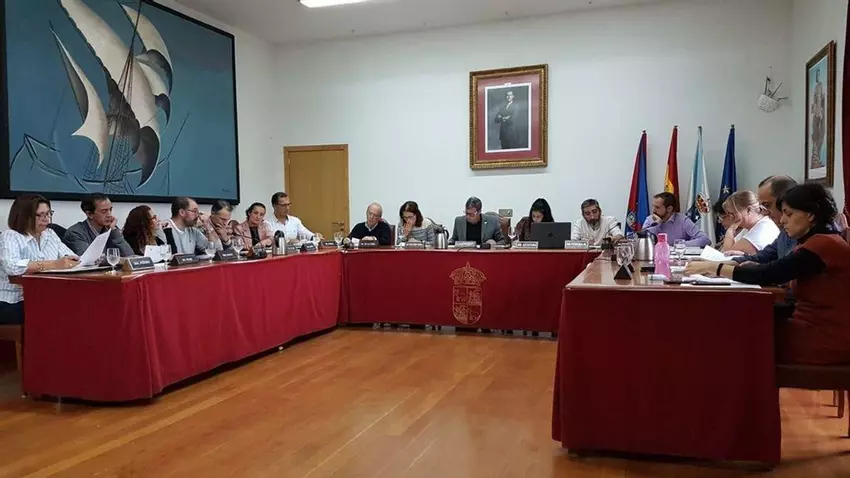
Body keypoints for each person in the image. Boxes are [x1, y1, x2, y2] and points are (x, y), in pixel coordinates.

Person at [685, 183, 850, 364]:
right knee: (734, 317)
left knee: (730, 336)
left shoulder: (822, 246)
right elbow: (770, 266)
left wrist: (715, 268)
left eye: (789, 214)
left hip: (824, 337)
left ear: (810, 214)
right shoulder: (815, 242)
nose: (782, 220)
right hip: (809, 325)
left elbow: (770, 273)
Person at [0, 195, 79, 324]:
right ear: (24, 216)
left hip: (43, 296)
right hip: (13, 300)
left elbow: (71, 258)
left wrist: (79, 261)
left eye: (48, 214)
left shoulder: (50, 234)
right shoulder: (10, 236)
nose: (46, 219)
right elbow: (12, 267)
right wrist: (54, 264)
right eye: (39, 215)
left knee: (77, 306)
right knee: (57, 312)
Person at [732, 175, 798, 265]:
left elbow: (785, 268)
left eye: (767, 205)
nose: (765, 213)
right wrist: (722, 264)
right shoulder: (784, 233)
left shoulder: (807, 238)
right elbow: (764, 256)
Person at [63, 193, 134, 257]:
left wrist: (113, 231)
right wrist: (117, 260)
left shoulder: (111, 229)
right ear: (89, 214)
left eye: (110, 210)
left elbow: (129, 255)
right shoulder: (75, 233)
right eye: (104, 211)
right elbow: (90, 259)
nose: (109, 215)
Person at [718, 190, 779, 256]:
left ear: (748, 210)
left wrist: (730, 230)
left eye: (733, 214)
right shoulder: (750, 226)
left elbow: (727, 254)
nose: (731, 218)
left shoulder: (762, 229)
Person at [642, 192, 711, 247]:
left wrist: (678, 245)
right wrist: (656, 224)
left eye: (657, 207)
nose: (653, 210)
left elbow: (705, 240)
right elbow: (643, 242)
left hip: (678, 258)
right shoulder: (650, 220)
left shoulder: (682, 220)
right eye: (653, 206)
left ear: (669, 209)